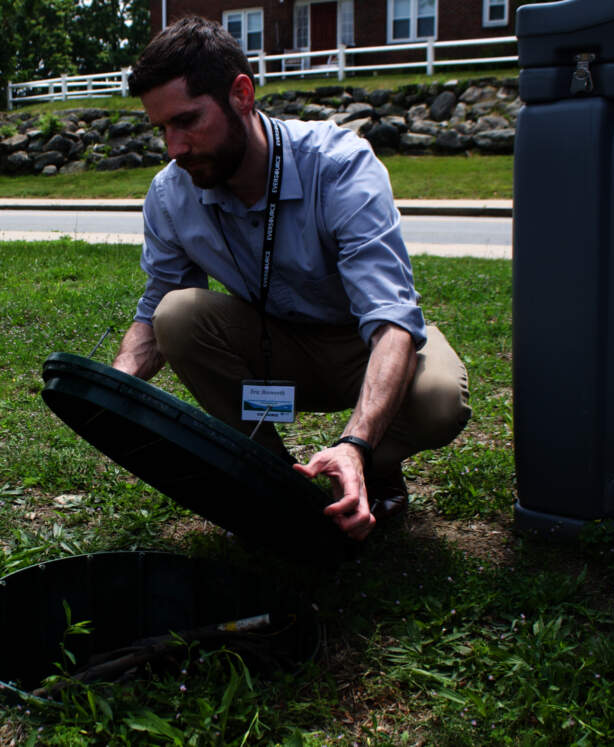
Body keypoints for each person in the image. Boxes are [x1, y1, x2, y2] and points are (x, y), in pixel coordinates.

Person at [111, 16, 470, 542]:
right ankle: (275, 480)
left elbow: (392, 321)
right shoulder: (170, 194)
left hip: (360, 347)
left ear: (241, 94)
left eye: (187, 121)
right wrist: (113, 385)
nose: (174, 147)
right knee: (176, 315)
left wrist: (358, 443)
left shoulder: (339, 165)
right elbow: (155, 307)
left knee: (440, 398)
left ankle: (364, 464)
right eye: (161, 128)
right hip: (271, 349)